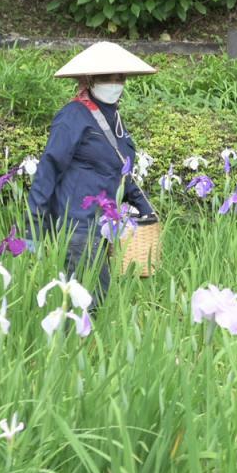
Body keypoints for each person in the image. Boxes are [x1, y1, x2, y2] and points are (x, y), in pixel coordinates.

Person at [27, 41, 159, 297]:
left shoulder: (114, 117)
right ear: (89, 79)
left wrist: (146, 209)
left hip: (104, 225)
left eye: (120, 77)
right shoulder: (72, 116)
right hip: (76, 224)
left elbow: (122, 172)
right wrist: (32, 227)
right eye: (107, 77)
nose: (115, 82)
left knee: (97, 298)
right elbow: (48, 170)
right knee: (91, 300)